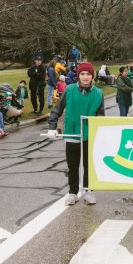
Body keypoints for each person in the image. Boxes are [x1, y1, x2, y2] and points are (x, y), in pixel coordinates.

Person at [47, 62, 105, 206]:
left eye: (88, 74)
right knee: (73, 166)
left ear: (92, 76)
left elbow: (101, 117)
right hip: (72, 133)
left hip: (89, 135)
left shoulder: (98, 93)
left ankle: (88, 190)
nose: (85, 77)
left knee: (89, 166)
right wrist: (52, 127)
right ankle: (73, 192)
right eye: (82, 74)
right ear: (78, 75)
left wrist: (101, 134)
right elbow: (57, 109)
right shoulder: (70, 89)